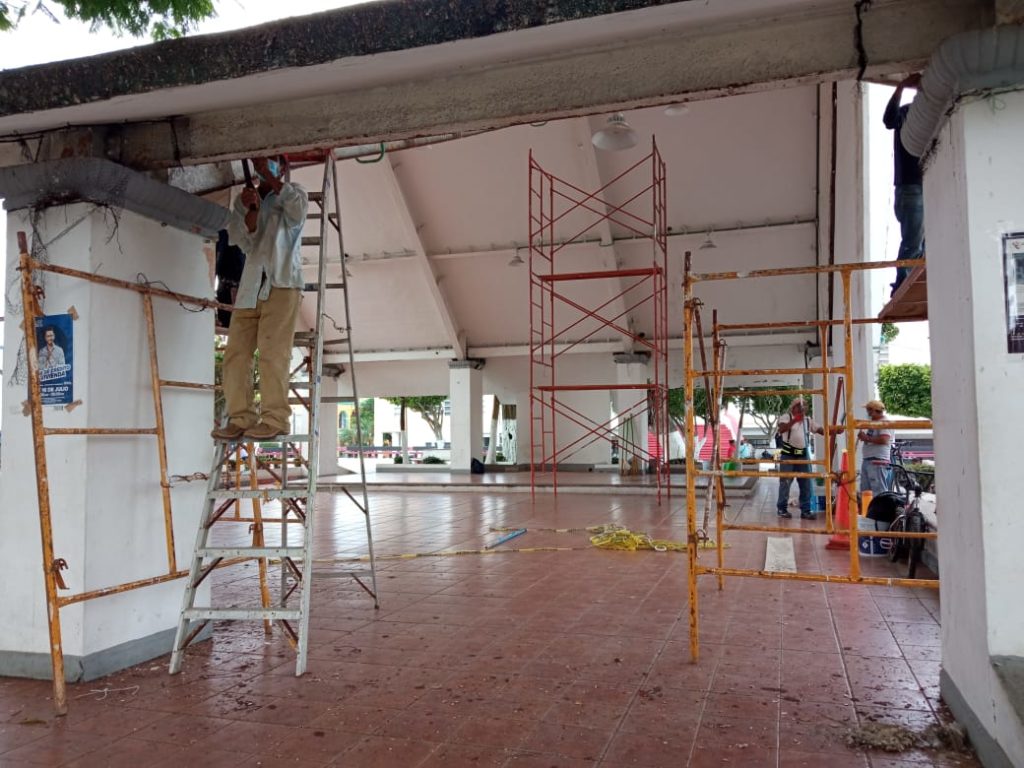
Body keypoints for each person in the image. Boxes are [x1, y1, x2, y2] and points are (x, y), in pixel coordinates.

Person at [211, 156, 308, 442]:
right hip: (251, 286)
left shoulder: (295, 192)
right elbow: (244, 242)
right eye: (263, 163)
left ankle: (276, 419)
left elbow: (297, 214)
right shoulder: (245, 200)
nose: (266, 166)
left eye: (273, 162)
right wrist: (250, 211)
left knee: (273, 353)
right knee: (236, 355)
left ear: (283, 167)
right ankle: (240, 417)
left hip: (282, 284)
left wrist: (272, 180)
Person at [883, 73, 924, 296]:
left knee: (922, 244)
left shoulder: (932, 115)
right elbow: (889, 120)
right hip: (910, 188)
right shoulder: (906, 113)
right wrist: (901, 88)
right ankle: (902, 285)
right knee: (913, 244)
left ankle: (913, 284)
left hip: (919, 188)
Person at [775, 398, 829, 520]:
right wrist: (795, 420)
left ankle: (806, 510)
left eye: (804, 406)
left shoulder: (807, 420)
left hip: (803, 454)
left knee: (806, 483)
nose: (802, 408)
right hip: (788, 453)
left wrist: (833, 431)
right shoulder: (786, 417)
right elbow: (781, 429)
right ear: (793, 408)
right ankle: (782, 509)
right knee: (785, 482)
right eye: (799, 406)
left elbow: (821, 431)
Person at [858, 399, 895, 496]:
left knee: (878, 491)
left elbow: (884, 439)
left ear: (874, 410)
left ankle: (880, 506)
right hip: (870, 459)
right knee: (867, 492)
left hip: (877, 460)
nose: (868, 413)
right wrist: (866, 438)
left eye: (869, 410)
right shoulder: (874, 423)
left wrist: (866, 438)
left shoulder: (883, 422)